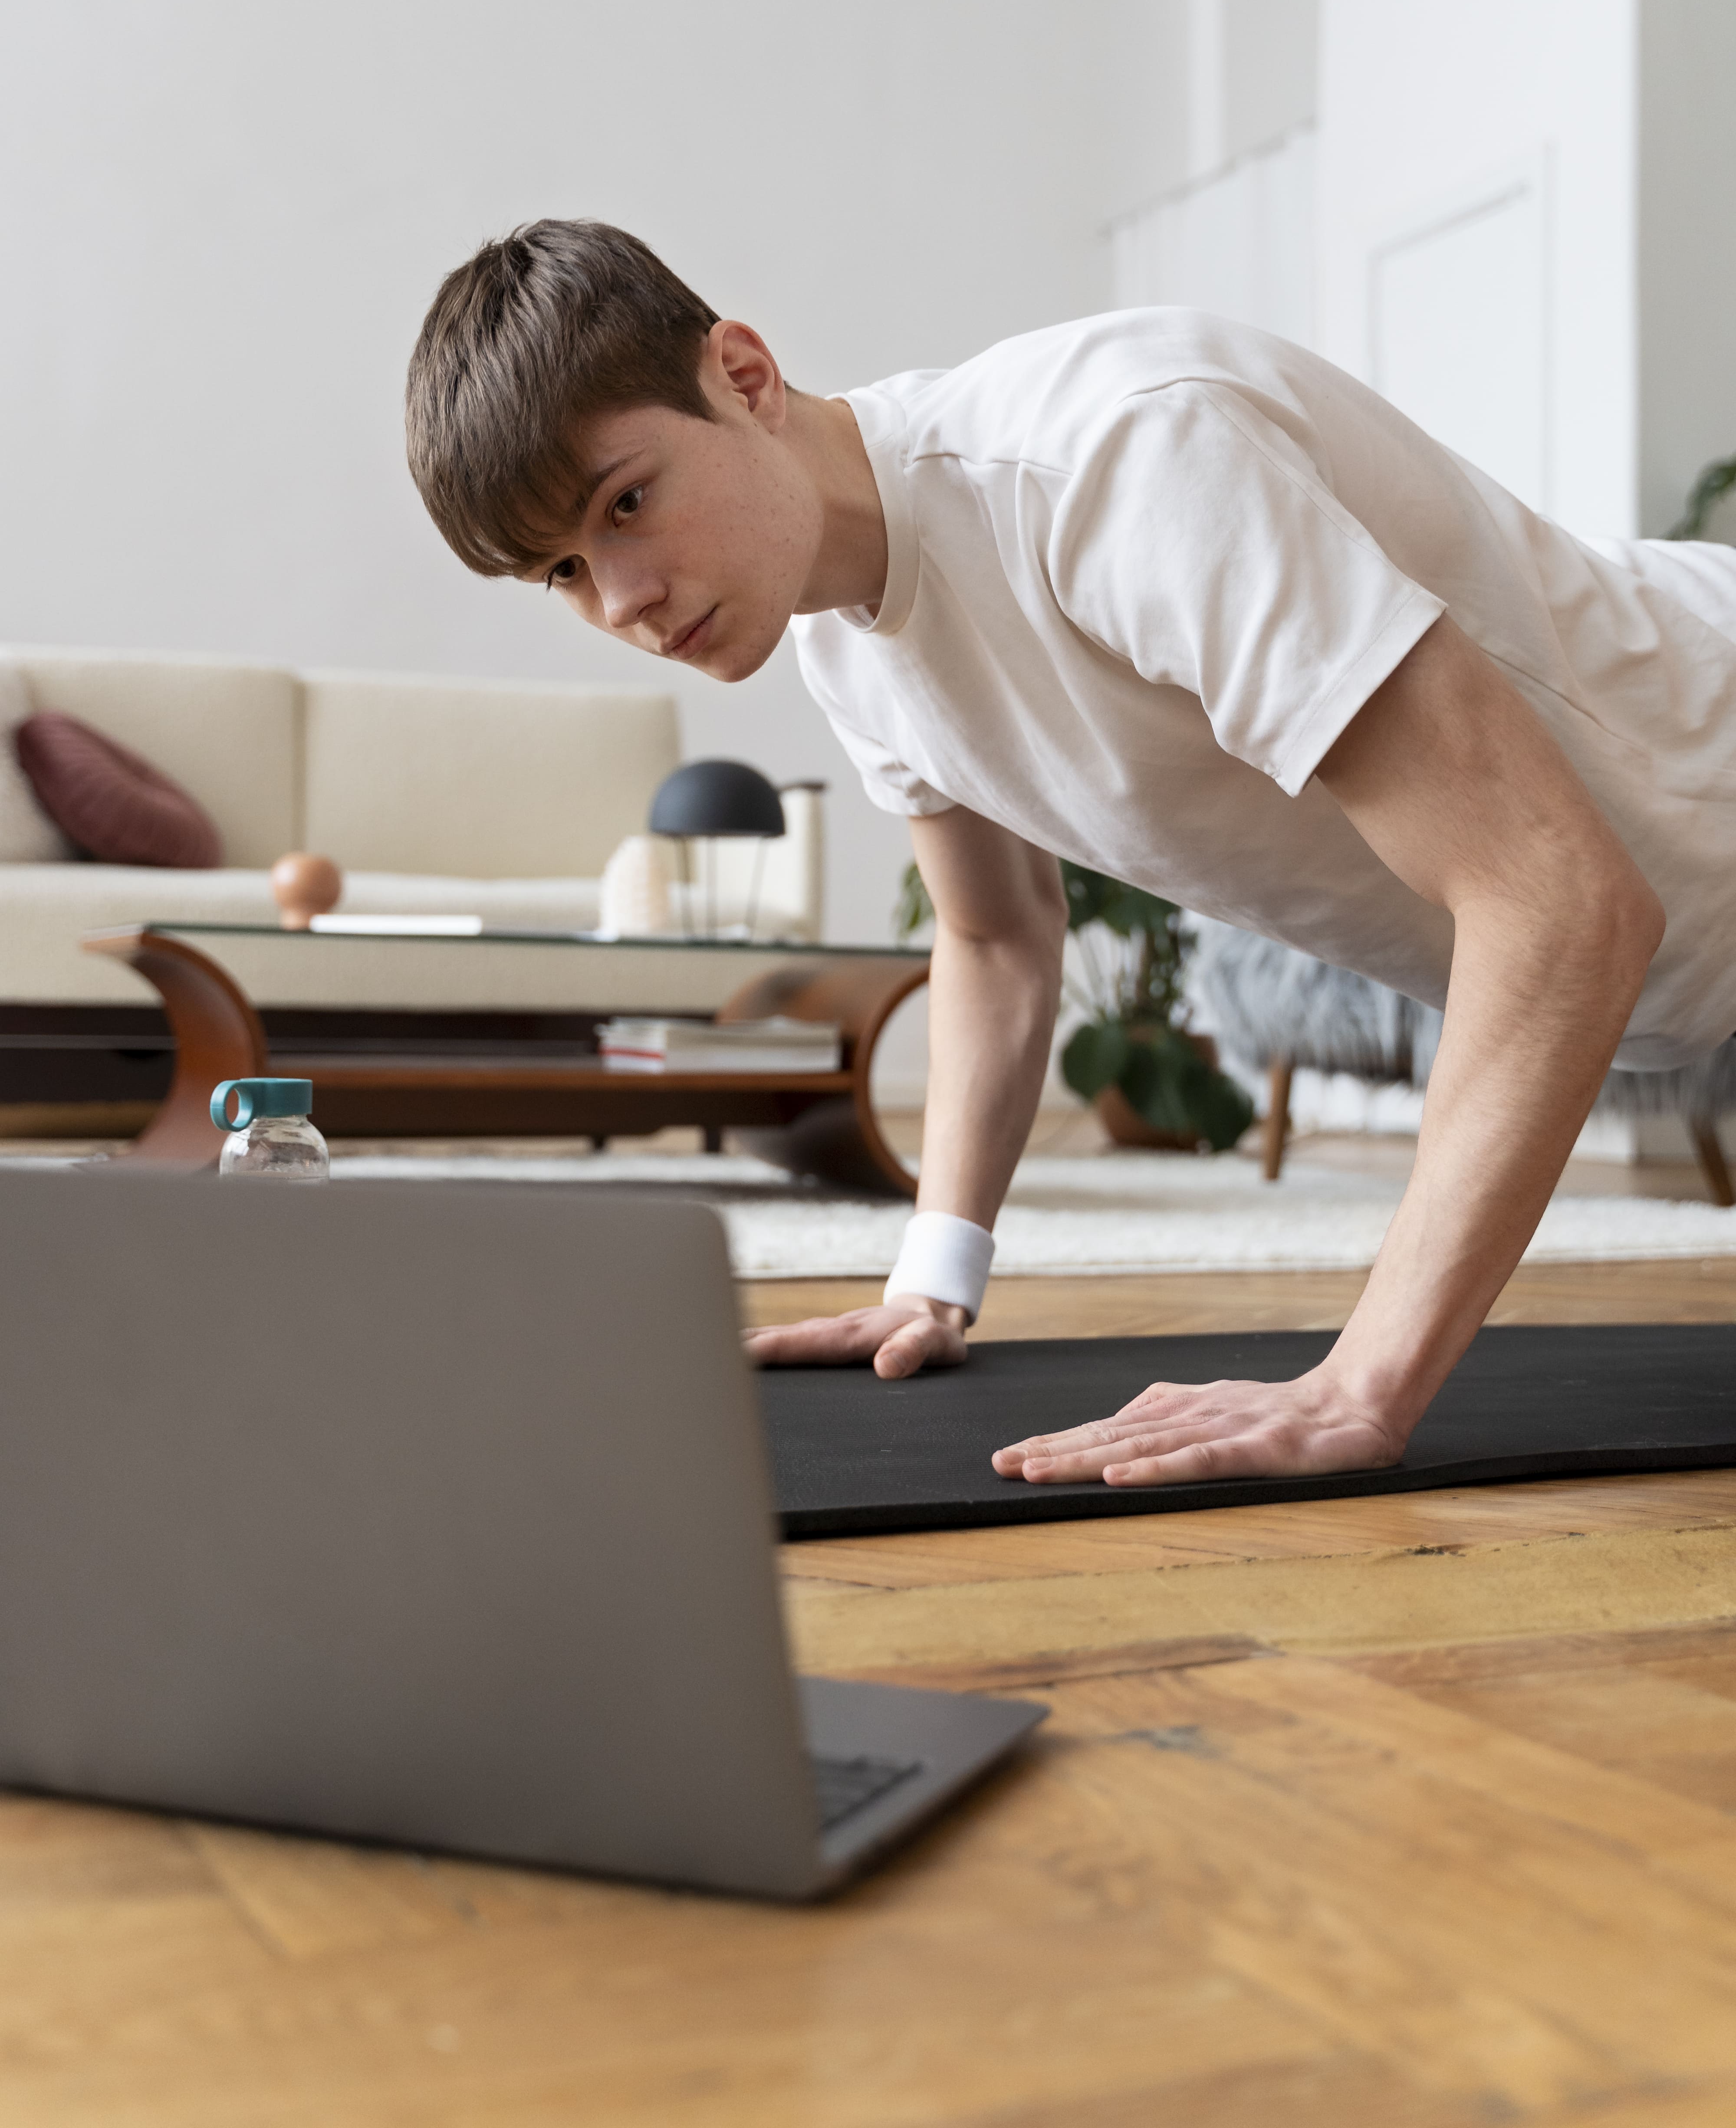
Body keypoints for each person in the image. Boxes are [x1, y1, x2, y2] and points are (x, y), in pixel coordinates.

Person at [404, 219, 1736, 1492]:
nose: (624, 600)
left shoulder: (1118, 463)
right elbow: (993, 936)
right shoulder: (847, 648)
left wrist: (1360, 1388)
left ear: (744, 377)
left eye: (628, 502)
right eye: (564, 573)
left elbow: (1558, 902)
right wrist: (933, 1280)